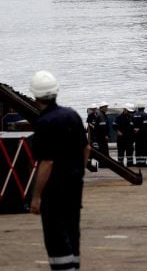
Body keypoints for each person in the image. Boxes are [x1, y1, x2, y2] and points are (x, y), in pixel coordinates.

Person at [28, 71, 89, 271]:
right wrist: (79, 173)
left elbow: (46, 163)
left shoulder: (44, 123)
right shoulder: (72, 115)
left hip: (54, 189)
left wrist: (36, 197)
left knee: (55, 235)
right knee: (72, 230)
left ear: (35, 96)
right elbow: (86, 148)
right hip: (74, 185)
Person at [131, 101, 147, 167]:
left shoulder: (133, 115)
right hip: (143, 134)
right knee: (144, 148)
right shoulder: (145, 115)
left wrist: (135, 129)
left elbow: (131, 124)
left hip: (136, 134)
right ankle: (143, 162)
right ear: (144, 108)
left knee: (137, 147)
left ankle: (138, 162)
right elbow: (145, 125)